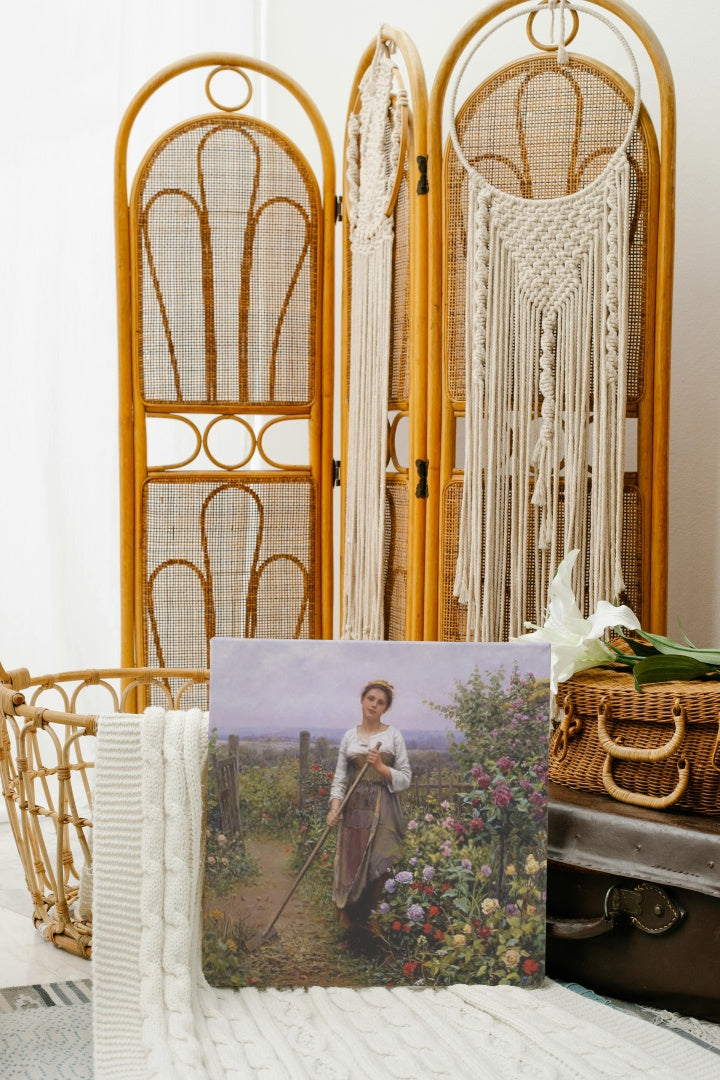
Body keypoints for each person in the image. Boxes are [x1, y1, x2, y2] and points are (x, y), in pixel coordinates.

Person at [326, 679, 412, 928]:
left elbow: (405, 778)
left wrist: (381, 767)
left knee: (380, 863)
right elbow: (341, 779)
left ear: (386, 708)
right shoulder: (349, 737)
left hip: (383, 810)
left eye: (381, 702)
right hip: (353, 810)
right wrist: (334, 807)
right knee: (351, 863)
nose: (374, 704)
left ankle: (377, 928)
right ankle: (351, 929)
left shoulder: (393, 736)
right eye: (371, 699)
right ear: (362, 700)